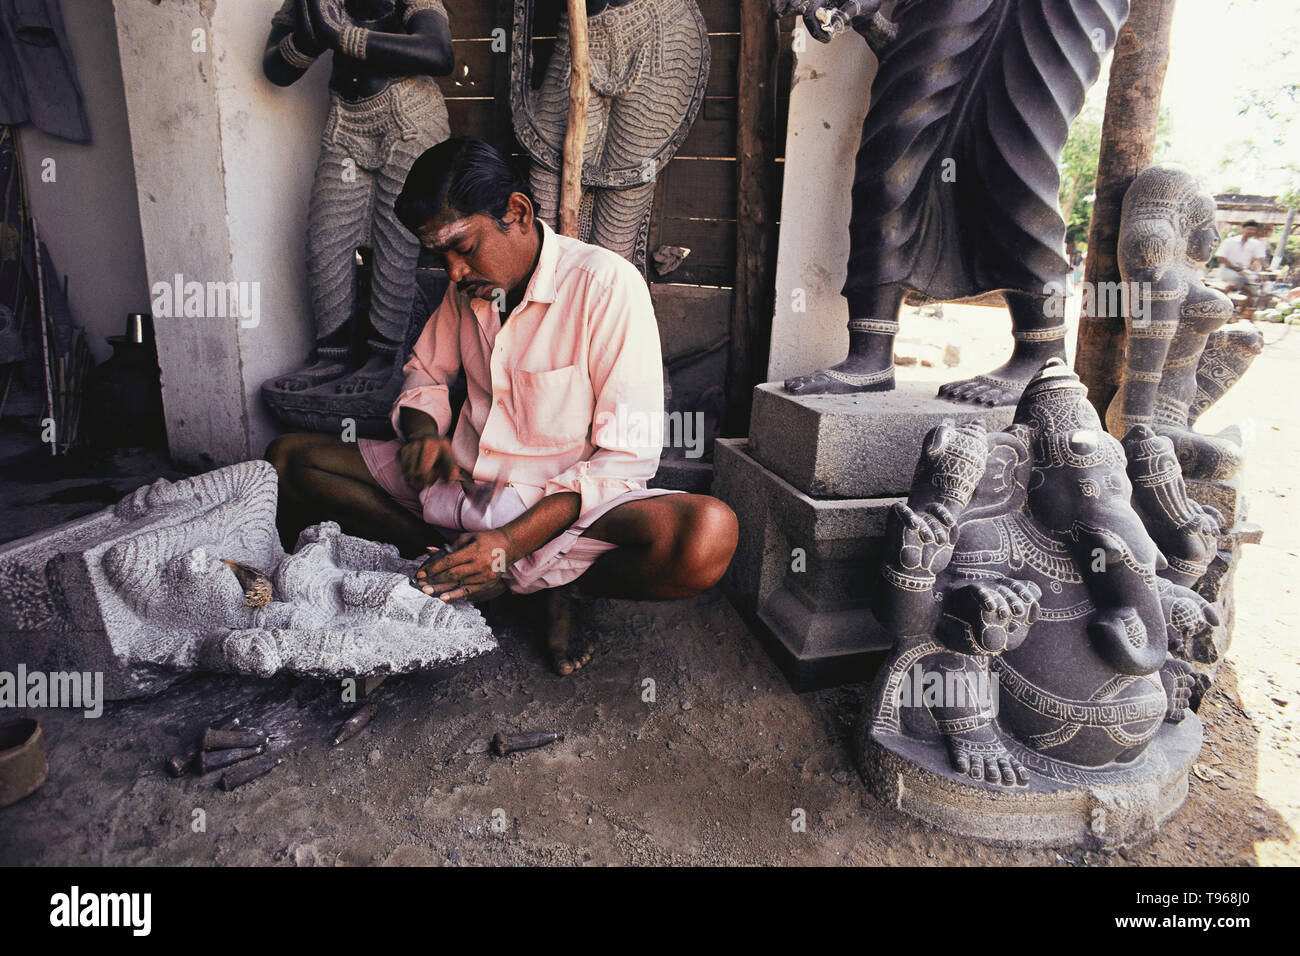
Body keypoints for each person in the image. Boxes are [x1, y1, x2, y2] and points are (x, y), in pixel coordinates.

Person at [266, 138, 739, 675]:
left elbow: (625, 459)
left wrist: (511, 542)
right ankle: (462, 567)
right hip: (462, 489)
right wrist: (424, 435)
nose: (453, 271)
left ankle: (553, 589)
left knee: (707, 535)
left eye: (463, 247)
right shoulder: (467, 289)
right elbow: (425, 372)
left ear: (516, 212)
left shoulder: (606, 286)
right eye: (439, 255)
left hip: (558, 515)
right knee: (286, 459)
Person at [1214, 220, 1270, 298]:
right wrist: (1237, 269)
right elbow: (1220, 257)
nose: (1251, 231)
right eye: (1249, 229)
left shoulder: (1256, 244)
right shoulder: (1229, 241)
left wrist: (1267, 268)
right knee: (1239, 278)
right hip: (1228, 270)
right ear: (1242, 229)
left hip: (1245, 271)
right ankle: (1224, 298)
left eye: (1254, 230)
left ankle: (1246, 304)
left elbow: (1261, 258)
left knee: (1257, 284)